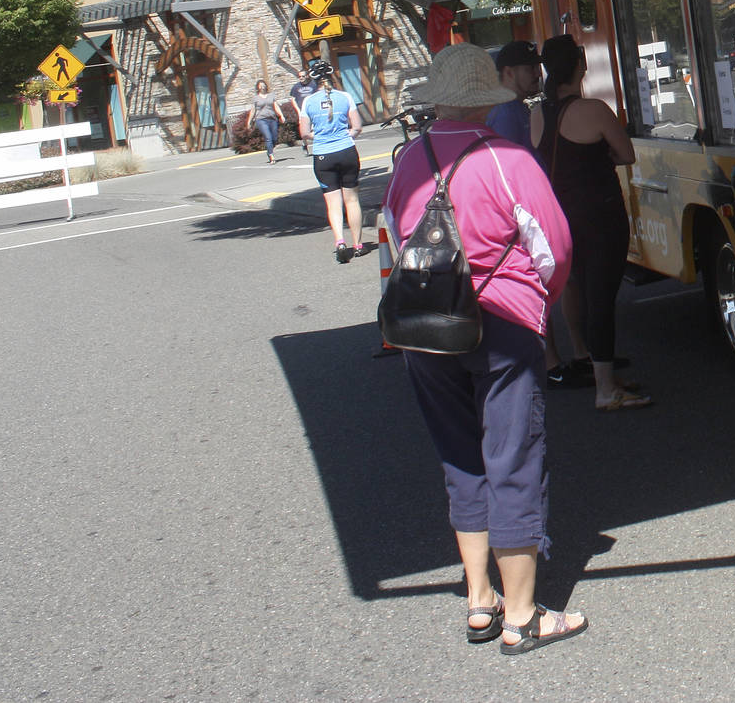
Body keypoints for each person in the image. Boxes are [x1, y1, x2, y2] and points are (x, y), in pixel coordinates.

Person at [381, 42, 583, 654]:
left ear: (439, 99)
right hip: (501, 326)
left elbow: (392, 237)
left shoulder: (407, 159)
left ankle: (478, 600)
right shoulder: (506, 158)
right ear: (486, 98)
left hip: (426, 328)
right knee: (512, 457)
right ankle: (522, 615)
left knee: (460, 459)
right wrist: (537, 308)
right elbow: (555, 249)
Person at [532, 34, 649, 410]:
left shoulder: (538, 113)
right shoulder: (594, 110)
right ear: (580, 65)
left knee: (579, 290)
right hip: (599, 214)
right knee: (601, 300)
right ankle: (605, 388)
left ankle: (600, 371)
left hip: (558, 217)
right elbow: (626, 154)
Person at [297, 58, 365, 263]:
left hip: (323, 155)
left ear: (313, 80)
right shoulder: (345, 97)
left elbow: (304, 133)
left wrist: (320, 137)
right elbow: (357, 127)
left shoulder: (308, 102)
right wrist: (347, 135)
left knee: (333, 204)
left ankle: (340, 241)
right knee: (352, 200)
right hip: (346, 151)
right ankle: (359, 244)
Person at [487, 40, 540, 147]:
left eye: (537, 67)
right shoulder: (504, 115)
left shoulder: (514, 107)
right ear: (509, 72)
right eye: (530, 68)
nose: (538, 73)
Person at [250, 79, 285, 164]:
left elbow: (275, 106)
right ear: (258, 87)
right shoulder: (256, 98)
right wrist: (249, 121)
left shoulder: (271, 96)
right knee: (268, 137)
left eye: (263, 85)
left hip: (272, 119)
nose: (262, 86)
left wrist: (281, 115)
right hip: (261, 119)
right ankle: (271, 155)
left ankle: (269, 150)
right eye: (260, 85)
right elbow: (253, 110)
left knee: (274, 138)